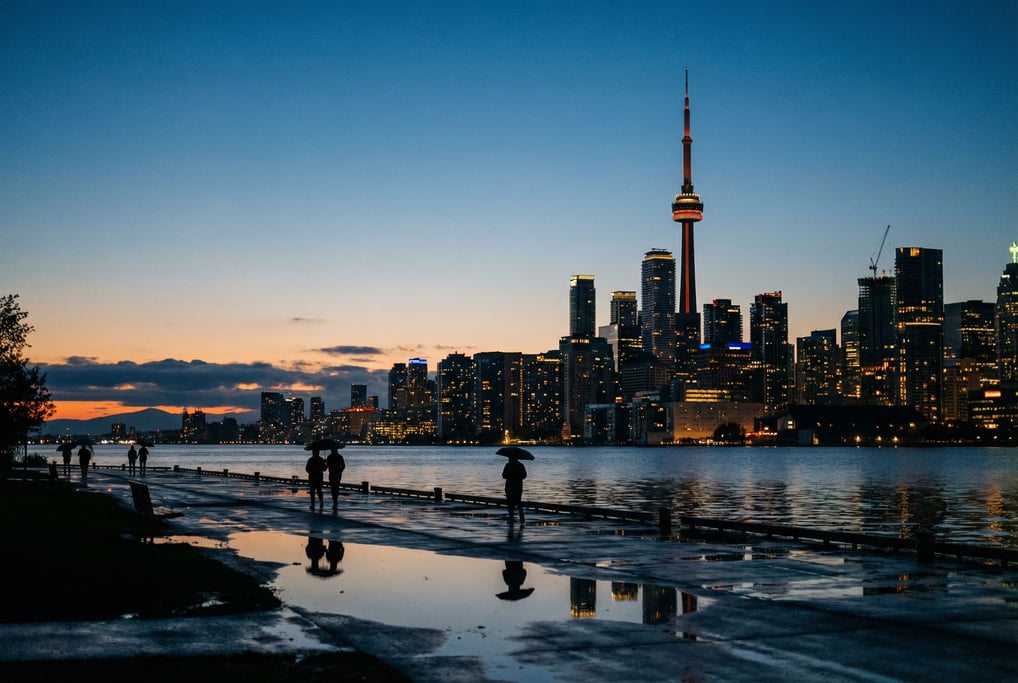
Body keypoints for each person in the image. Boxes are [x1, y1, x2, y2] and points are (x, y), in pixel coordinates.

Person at [502, 454, 528, 524]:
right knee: (518, 502)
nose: (508, 459)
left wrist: (509, 475)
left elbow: (504, 476)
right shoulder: (521, 465)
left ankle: (511, 518)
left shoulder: (508, 465)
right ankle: (522, 518)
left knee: (510, 503)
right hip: (518, 486)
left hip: (509, 486)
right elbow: (524, 475)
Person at [325, 446, 346, 510]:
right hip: (338, 474)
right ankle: (335, 501)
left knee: (333, 487)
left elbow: (326, 467)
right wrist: (340, 471)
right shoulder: (340, 457)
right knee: (336, 487)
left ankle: (334, 501)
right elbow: (343, 465)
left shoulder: (329, 457)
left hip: (332, 473)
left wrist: (324, 464)